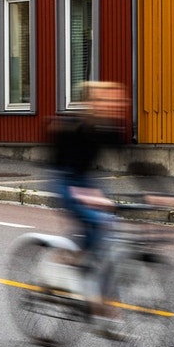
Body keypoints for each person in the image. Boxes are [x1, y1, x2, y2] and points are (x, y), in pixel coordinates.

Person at [45, 80, 130, 307]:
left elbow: (134, 162)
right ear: (91, 103)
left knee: (109, 226)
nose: (115, 106)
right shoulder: (72, 127)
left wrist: (154, 193)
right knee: (100, 221)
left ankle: (81, 264)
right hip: (64, 179)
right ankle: (95, 296)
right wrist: (86, 195)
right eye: (107, 100)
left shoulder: (108, 129)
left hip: (86, 181)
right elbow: (59, 163)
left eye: (118, 101)